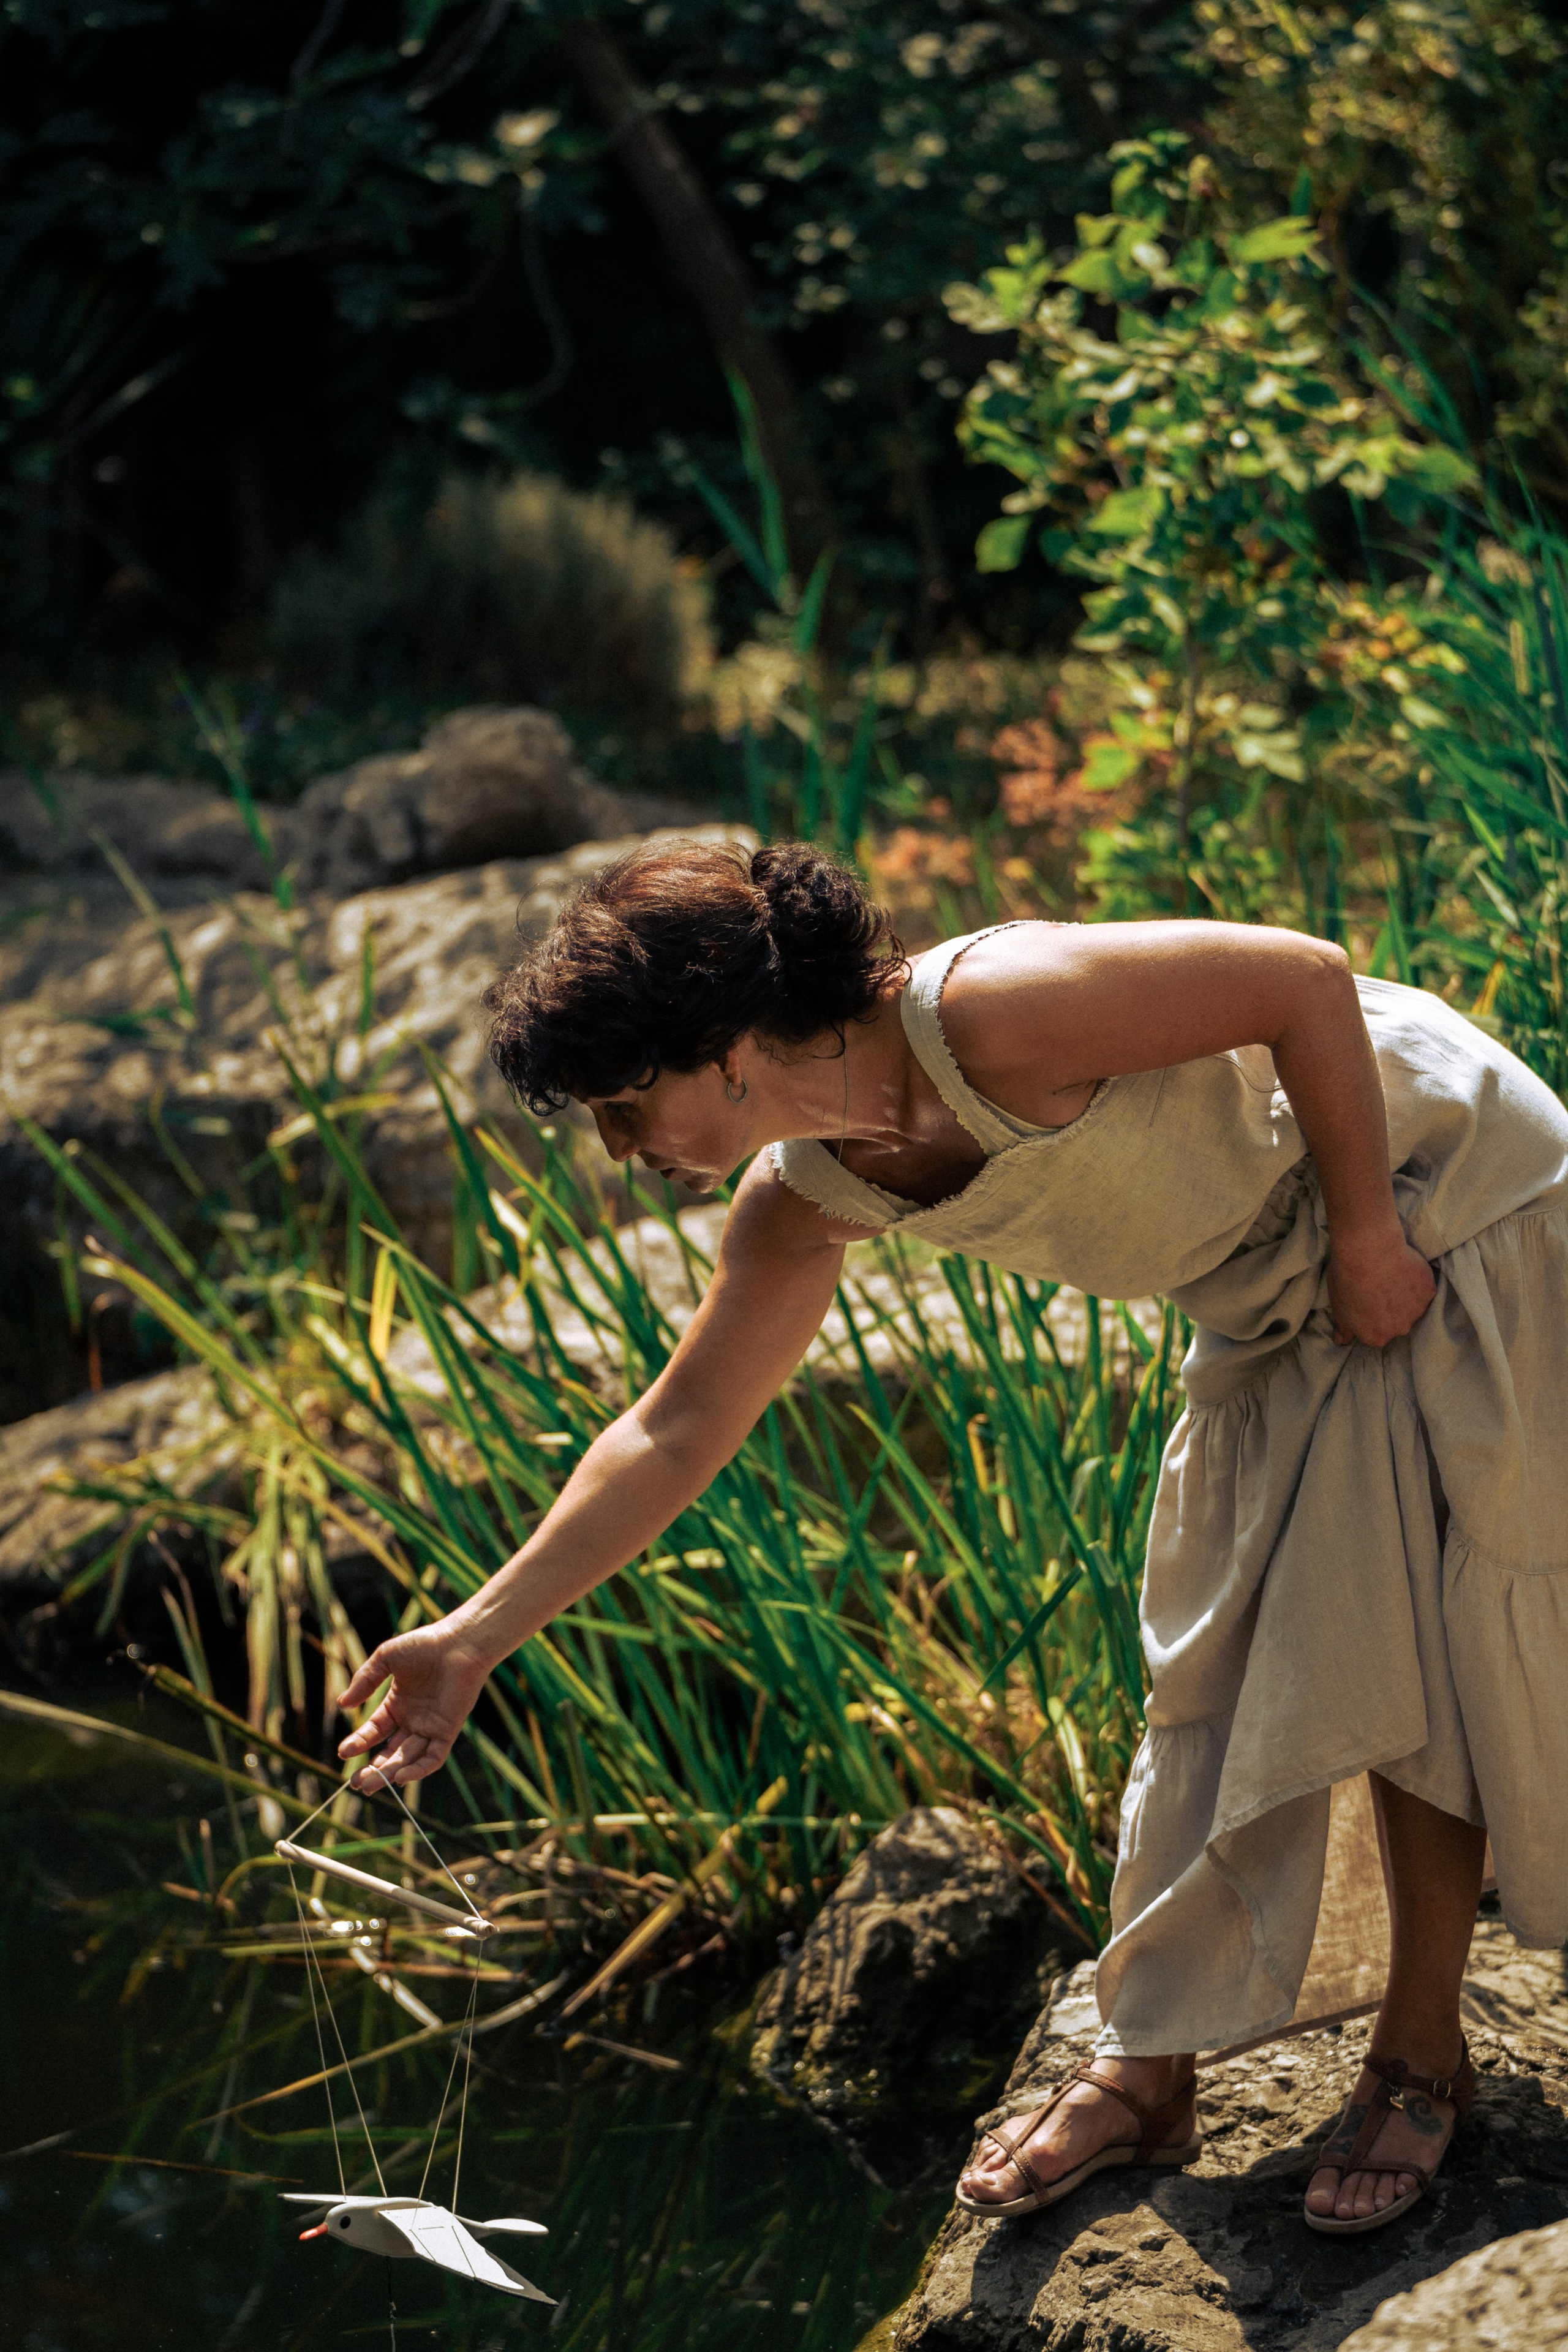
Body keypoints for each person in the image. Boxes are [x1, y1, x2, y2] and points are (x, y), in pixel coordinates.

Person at [335, 838, 1568, 2237]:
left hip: (1445, 1199)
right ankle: (1149, 2072)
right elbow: (673, 1432)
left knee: (1423, 1620)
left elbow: (1302, 982)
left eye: (627, 1107)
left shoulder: (991, 1010)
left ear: (727, 1049)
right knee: (1203, 1657)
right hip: (1269, 1295)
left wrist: (1363, 1237)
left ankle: (1416, 2060)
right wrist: (472, 1636)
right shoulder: (807, 1197)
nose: (623, 1153)